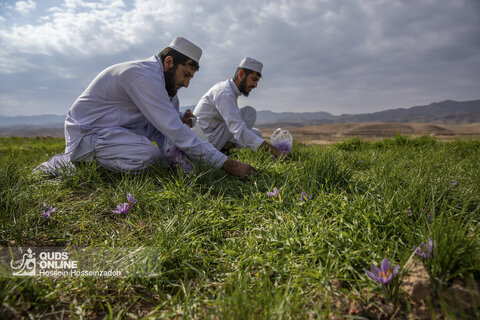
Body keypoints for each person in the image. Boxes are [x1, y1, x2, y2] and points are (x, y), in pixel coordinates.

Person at [34, 37, 256, 178]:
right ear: (169, 62)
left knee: (165, 158)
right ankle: (71, 164)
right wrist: (227, 164)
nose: (187, 83)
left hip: (116, 135)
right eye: (185, 75)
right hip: (90, 135)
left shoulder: (166, 89)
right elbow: (174, 132)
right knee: (150, 157)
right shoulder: (142, 75)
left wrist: (179, 117)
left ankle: (100, 162)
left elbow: (165, 123)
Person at [192, 57, 290, 158]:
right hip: (204, 142)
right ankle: (224, 149)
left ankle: (226, 146)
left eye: (257, 81)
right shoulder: (225, 93)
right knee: (248, 114)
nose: (255, 85)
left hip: (214, 134)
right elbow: (238, 129)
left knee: (257, 133)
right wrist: (275, 151)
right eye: (254, 79)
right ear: (241, 74)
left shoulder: (229, 90)